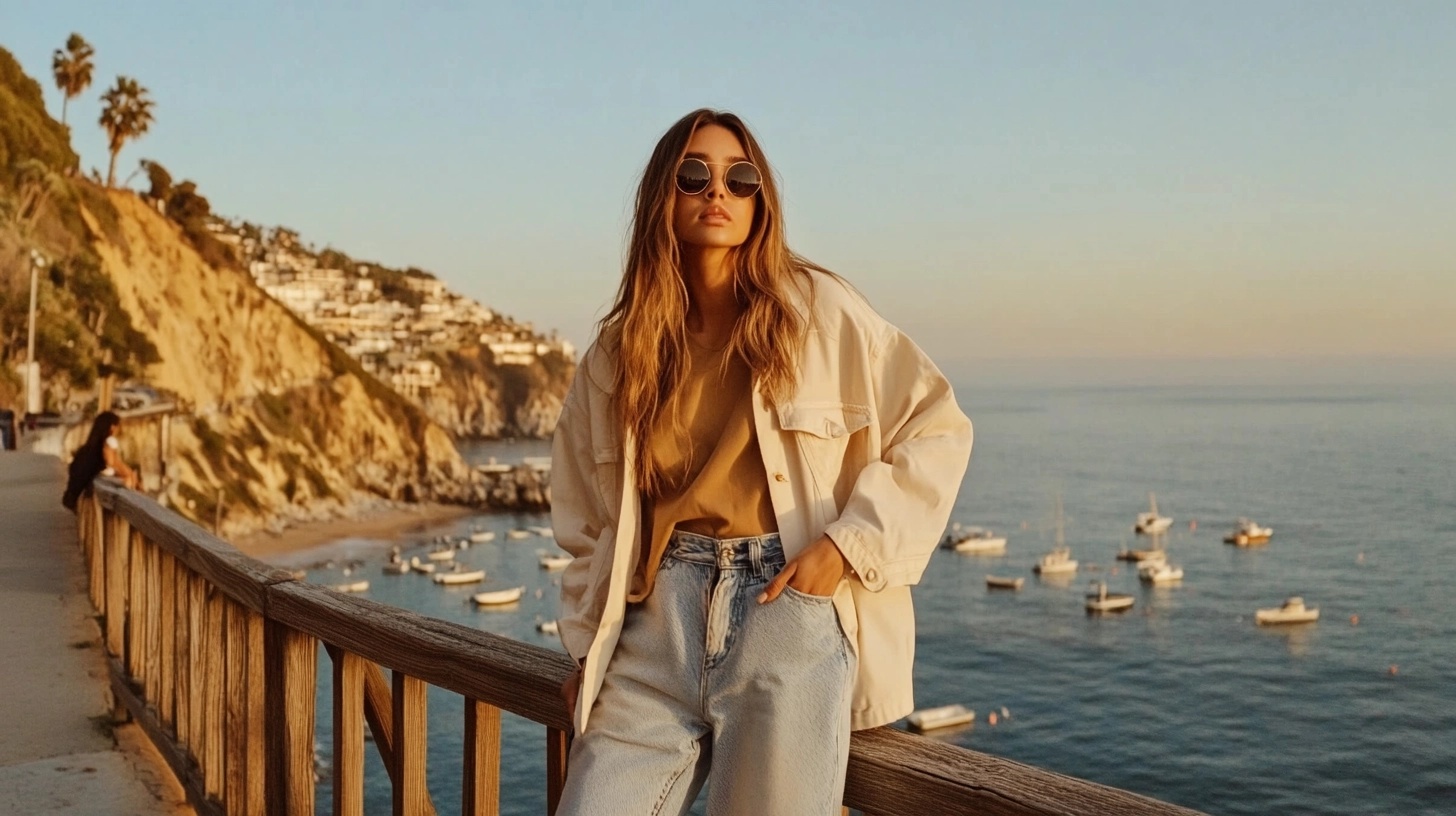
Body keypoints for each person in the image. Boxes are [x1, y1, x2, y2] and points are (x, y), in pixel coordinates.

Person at [550, 109, 973, 815]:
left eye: (740, 179)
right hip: (656, 627)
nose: (718, 191)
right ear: (664, 195)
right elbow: (586, 519)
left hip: (784, 611)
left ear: (760, 202)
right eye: (695, 175)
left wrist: (843, 549)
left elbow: (938, 427)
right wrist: (585, 651)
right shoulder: (620, 353)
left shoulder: (820, 312)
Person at [62, 411, 139, 511]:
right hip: (98, 490)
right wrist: (131, 475)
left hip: (78, 493)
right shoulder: (109, 441)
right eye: (117, 426)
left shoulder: (86, 450)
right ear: (112, 427)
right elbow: (114, 463)